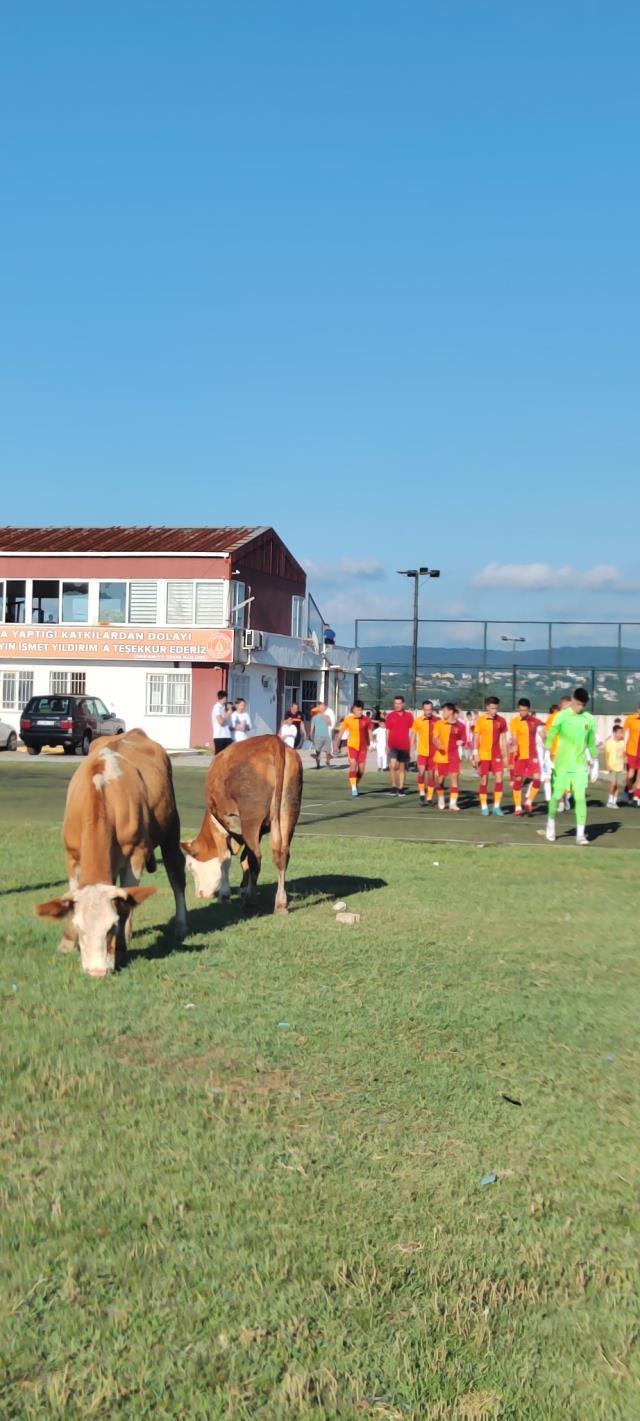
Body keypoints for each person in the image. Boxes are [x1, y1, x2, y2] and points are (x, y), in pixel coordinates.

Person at [541, 686, 598, 844]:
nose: (580, 708)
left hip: (579, 766)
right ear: (572, 700)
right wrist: (546, 754)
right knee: (556, 796)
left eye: (583, 705)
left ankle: (580, 834)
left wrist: (595, 762)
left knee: (580, 798)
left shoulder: (589, 719)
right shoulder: (561, 716)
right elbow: (551, 734)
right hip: (562, 765)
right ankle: (551, 824)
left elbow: (591, 743)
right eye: (578, 704)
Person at [472, 696, 508, 816]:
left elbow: (503, 739)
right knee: (484, 780)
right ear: (487, 707)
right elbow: (476, 738)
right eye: (492, 708)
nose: (494, 711)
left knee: (499, 778)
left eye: (496, 708)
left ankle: (497, 807)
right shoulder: (480, 720)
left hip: (496, 755)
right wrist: (475, 754)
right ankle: (484, 806)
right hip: (483, 755)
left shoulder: (502, 721)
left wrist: (505, 755)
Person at [509, 698, 544, 815]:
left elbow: (544, 729)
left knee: (537, 778)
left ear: (528, 709)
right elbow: (514, 736)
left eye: (524, 710)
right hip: (520, 755)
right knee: (518, 780)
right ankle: (518, 807)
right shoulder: (514, 721)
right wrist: (514, 745)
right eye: (521, 710)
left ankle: (528, 802)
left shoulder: (534, 721)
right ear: (518, 709)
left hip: (532, 754)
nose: (522, 712)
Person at [433, 702, 465, 810]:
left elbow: (464, 739)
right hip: (441, 756)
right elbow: (434, 738)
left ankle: (453, 803)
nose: (443, 713)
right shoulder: (439, 724)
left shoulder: (460, 726)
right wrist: (438, 745)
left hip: (454, 756)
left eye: (445, 711)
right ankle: (441, 798)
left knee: (454, 778)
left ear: (451, 711)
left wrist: (461, 741)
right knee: (440, 781)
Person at [339, 700, 372, 796]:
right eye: (358, 710)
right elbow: (341, 732)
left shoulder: (367, 719)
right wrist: (337, 745)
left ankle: (355, 784)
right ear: (353, 710)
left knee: (361, 770)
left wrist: (371, 744)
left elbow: (369, 732)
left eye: (361, 710)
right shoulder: (348, 719)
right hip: (352, 746)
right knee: (353, 764)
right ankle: (353, 788)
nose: (360, 712)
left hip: (363, 747)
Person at [385, 695, 415, 796]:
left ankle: (401, 788)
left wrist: (412, 747)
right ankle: (394, 787)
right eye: (395, 703)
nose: (397, 705)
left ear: (403, 704)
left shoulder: (409, 716)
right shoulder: (390, 716)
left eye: (399, 703)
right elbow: (387, 732)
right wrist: (386, 745)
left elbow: (412, 732)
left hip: (404, 745)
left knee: (402, 768)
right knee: (393, 765)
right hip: (393, 745)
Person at [411, 699, 437, 806]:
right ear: (423, 710)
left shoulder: (437, 720)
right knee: (421, 772)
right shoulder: (418, 720)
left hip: (434, 753)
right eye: (426, 710)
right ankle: (422, 792)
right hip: (422, 751)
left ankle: (430, 796)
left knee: (431, 775)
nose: (428, 712)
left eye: (430, 709)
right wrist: (410, 750)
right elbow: (413, 735)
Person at [621, 700, 640, 804]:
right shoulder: (631, 719)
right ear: (638, 710)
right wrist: (622, 751)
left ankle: (637, 796)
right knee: (630, 776)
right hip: (632, 751)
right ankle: (629, 791)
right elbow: (622, 733)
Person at [604, 722, 626, 807]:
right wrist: (607, 765)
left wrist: (625, 763)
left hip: (620, 767)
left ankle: (614, 801)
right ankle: (609, 800)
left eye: (622, 733)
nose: (621, 734)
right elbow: (606, 755)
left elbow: (624, 754)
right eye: (619, 732)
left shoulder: (622, 742)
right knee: (613, 784)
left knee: (618, 785)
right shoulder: (610, 743)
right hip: (612, 766)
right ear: (614, 733)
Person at [309, 703, 333, 768]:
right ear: (319, 708)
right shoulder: (314, 717)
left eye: (323, 707)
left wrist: (324, 717)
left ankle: (328, 762)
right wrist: (310, 735)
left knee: (328, 751)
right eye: (321, 707)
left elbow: (330, 724)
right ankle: (318, 765)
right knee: (317, 752)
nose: (322, 708)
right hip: (318, 736)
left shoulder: (327, 716)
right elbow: (312, 728)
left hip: (326, 735)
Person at [211, 690, 232, 755]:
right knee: (219, 757)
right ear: (223, 698)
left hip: (227, 735)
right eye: (226, 698)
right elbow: (220, 722)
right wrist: (228, 713)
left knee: (228, 756)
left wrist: (229, 710)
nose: (226, 700)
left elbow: (228, 721)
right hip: (219, 736)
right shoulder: (216, 707)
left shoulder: (224, 708)